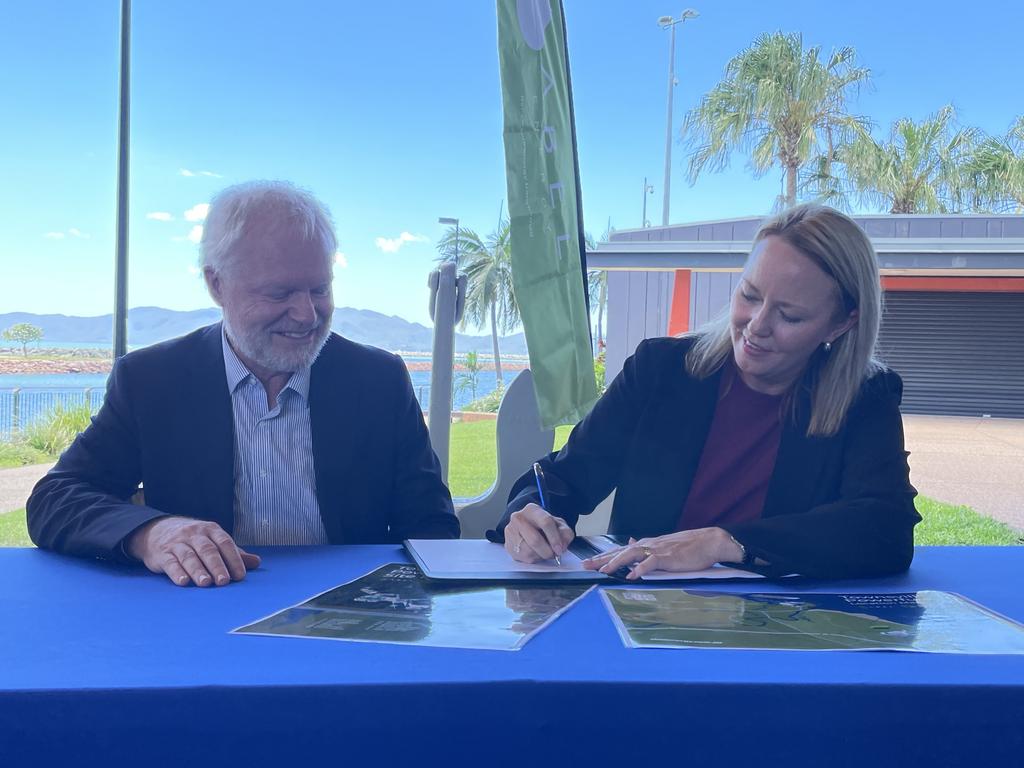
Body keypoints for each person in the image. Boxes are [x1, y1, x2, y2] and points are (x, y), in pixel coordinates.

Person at [27, 181, 459, 587]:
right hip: (203, 615)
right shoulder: (152, 381)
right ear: (217, 284)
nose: (307, 314)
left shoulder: (378, 380)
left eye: (319, 289)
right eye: (279, 294)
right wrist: (152, 534)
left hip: (350, 621)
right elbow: (55, 500)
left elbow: (431, 527)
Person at [493, 204, 919, 580]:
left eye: (789, 316)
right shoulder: (660, 370)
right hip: (645, 613)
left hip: (778, 629)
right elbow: (563, 476)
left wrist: (727, 542)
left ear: (841, 324)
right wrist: (529, 514)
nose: (756, 325)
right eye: (749, 295)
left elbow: (884, 528)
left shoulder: (866, 398)